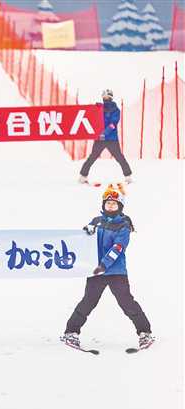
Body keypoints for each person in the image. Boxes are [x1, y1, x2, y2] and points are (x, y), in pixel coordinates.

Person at [61, 184, 154, 351]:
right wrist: (86, 231)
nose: (110, 206)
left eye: (114, 203)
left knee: (126, 302)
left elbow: (118, 247)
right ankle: (71, 332)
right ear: (103, 205)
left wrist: (104, 265)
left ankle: (145, 332)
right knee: (88, 301)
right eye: (108, 203)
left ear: (120, 206)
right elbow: (85, 240)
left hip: (115, 271)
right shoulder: (96, 221)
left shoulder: (123, 225)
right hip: (95, 270)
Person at [79, 89, 133, 185]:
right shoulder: (99, 109)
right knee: (93, 157)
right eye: (104, 97)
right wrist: (94, 108)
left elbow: (113, 123)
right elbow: (92, 119)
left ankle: (128, 177)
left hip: (111, 139)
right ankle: (83, 176)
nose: (106, 99)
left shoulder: (116, 110)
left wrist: (105, 133)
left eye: (107, 97)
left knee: (119, 157)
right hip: (100, 139)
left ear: (111, 98)